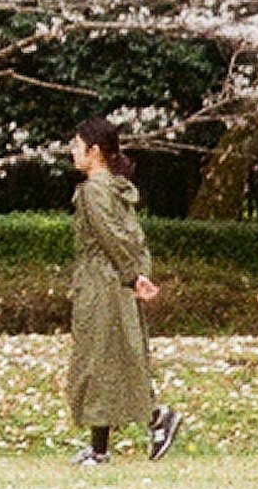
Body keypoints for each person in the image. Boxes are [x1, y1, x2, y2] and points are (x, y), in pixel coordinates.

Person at [67, 115, 179, 464]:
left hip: (103, 285)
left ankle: (135, 431)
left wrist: (134, 276)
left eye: (77, 145)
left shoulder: (94, 191)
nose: (72, 151)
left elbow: (111, 237)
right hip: (114, 284)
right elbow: (133, 237)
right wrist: (137, 275)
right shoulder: (116, 188)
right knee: (116, 360)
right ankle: (129, 432)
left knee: (98, 362)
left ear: (95, 151)